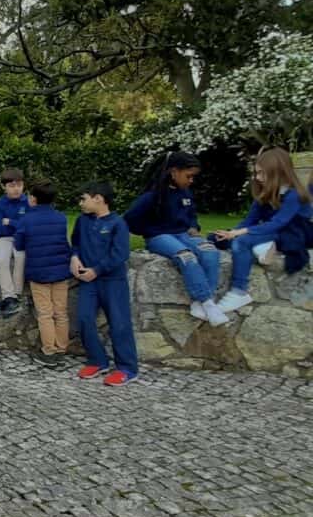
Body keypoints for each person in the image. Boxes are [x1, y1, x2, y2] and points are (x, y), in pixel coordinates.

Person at [124, 151, 228, 326]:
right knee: (187, 256)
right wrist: (148, 231)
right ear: (173, 172)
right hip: (160, 237)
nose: (191, 180)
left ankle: (199, 302)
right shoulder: (152, 196)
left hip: (184, 234)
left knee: (210, 251)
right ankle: (208, 303)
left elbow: (191, 214)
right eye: (189, 176)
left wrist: (194, 226)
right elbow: (129, 219)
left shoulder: (185, 193)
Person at [214, 148, 313, 312]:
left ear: (278, 171)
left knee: (241, 242)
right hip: (274, 230)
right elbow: (250, 220)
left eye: (262, 173)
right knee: (215, 238)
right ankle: (261, 247)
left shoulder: (294, 195)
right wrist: (230, 232)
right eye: (256, 173)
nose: (258, 178)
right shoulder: (265, 193)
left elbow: (278, 223)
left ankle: (239, 291)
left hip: (294, 232)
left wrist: (241, 233)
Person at [72, 181, 139, 386]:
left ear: (98, 198)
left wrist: (97, 270)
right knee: (84, 318)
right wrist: (74, 258)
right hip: (87, 281)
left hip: (112, 281)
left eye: (84, 199)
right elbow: (75, 243)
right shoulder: (82, 221)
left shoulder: (118, 223)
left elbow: (120, 254)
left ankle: (127, 368)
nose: (80, 203)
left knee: (119, 323)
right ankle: (97, 360)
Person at [14, 180, 73, 366]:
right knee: (61, 312)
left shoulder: (26, 220)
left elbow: (18, 244)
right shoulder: (61, 218)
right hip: (61, 270)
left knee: (45, 313)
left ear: (33, 198)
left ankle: (49, 351)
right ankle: (62, 348)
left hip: (39, 271)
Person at [0, 168, 29, 317]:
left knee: (20, 256)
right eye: (12, 186)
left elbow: (29, 225)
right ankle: (9, 296)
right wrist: (19, 224)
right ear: (3, 186)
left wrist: (11, 222)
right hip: (3, 238)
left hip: (23, 237)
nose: (16, 189)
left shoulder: (28, 202)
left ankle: (17, 294)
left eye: (19, 185)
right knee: (1, 258)